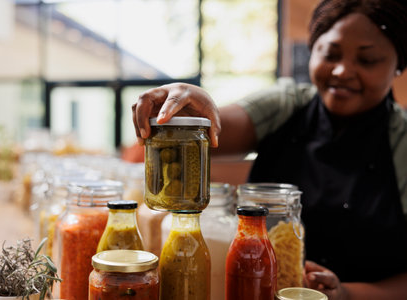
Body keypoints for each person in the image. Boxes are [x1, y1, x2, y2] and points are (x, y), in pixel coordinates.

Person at [132, 0, 407, 299]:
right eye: (330, 54)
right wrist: (189, 101)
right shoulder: (287, 105)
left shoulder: (402, 141)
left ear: (399, 66)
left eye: (367, 60)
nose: (342, 70)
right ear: (312, 50)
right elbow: (210, 128)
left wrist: (345, 293)